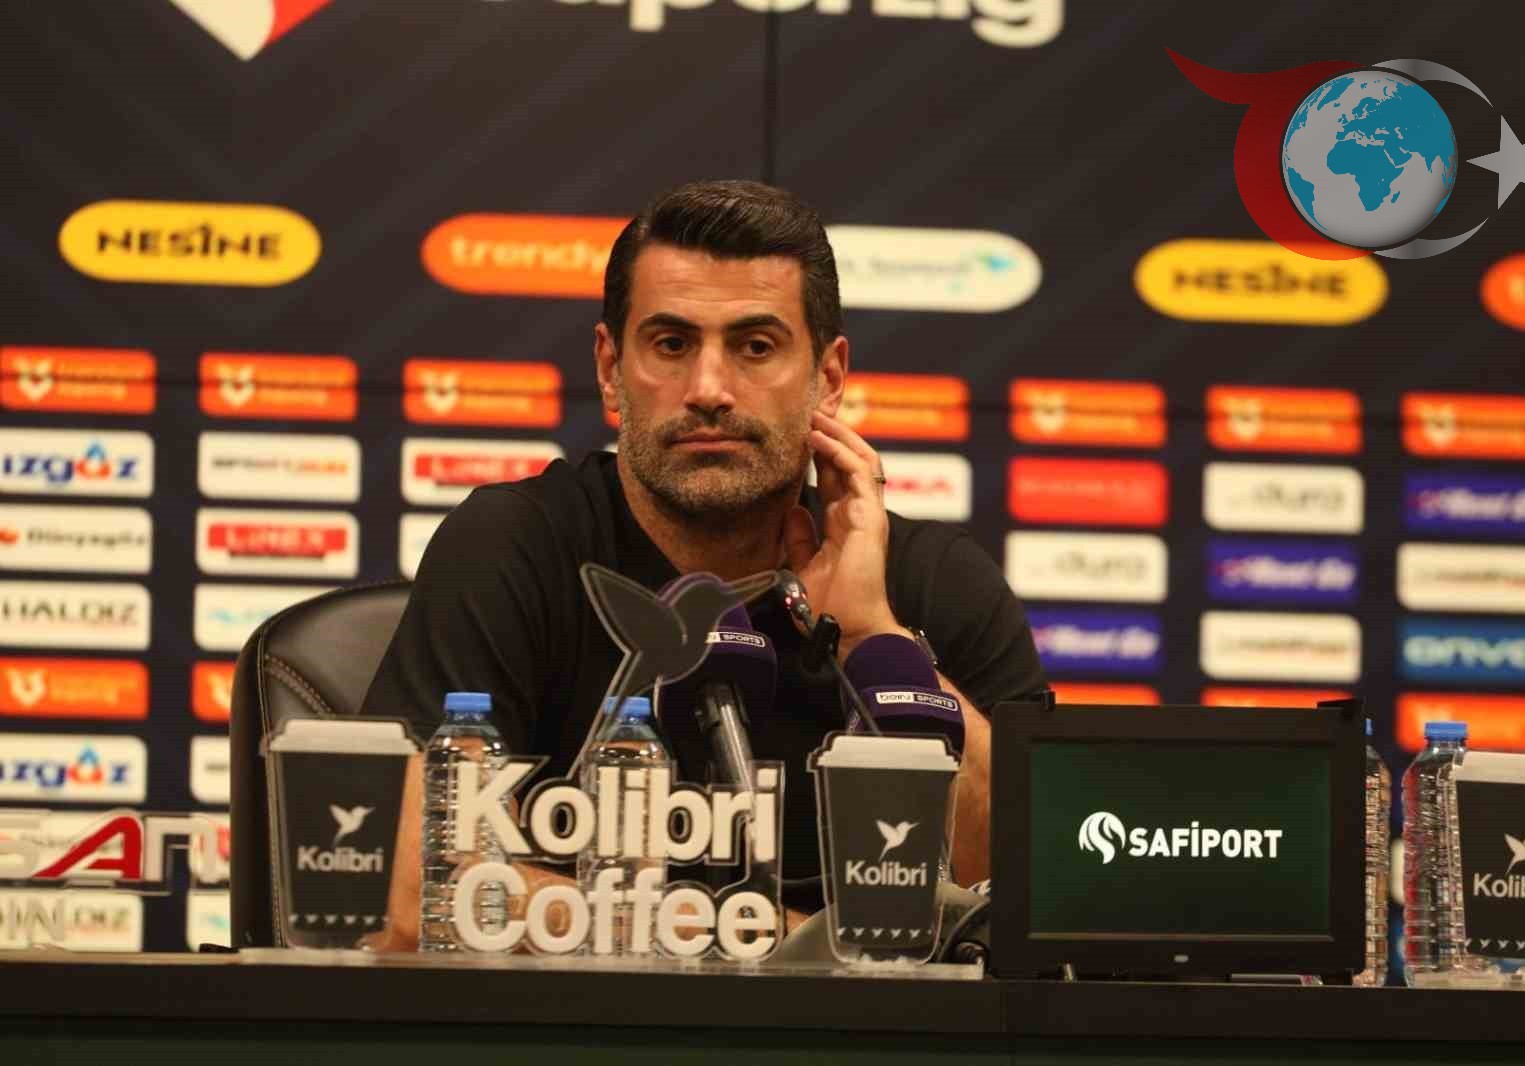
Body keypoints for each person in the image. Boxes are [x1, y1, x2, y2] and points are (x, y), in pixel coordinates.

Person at [361, 179, 1045, 947]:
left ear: (828, 378)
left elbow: (1033, 892)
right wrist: (780, 947)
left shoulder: (931, 581)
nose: (709, 389)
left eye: (756, 347)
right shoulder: (513, 545)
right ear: (609, 367)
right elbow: (410, 894)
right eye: (671, 345)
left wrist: (872, 638)